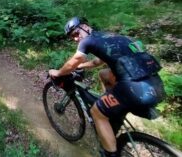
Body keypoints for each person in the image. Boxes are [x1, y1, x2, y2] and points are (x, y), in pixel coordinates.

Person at [48, 17, 165, 157]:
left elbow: (76, 60)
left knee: (96, 113)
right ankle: (111, 108)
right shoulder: (110, 36)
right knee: (104, 74)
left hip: (133, 89)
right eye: (71, 37)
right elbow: (98, 62)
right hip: (155, 85)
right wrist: (81, 67)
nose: (75, 39)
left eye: (75, 34)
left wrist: (59, 72)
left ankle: (109, 154)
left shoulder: (88, 40)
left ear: (85, 27)